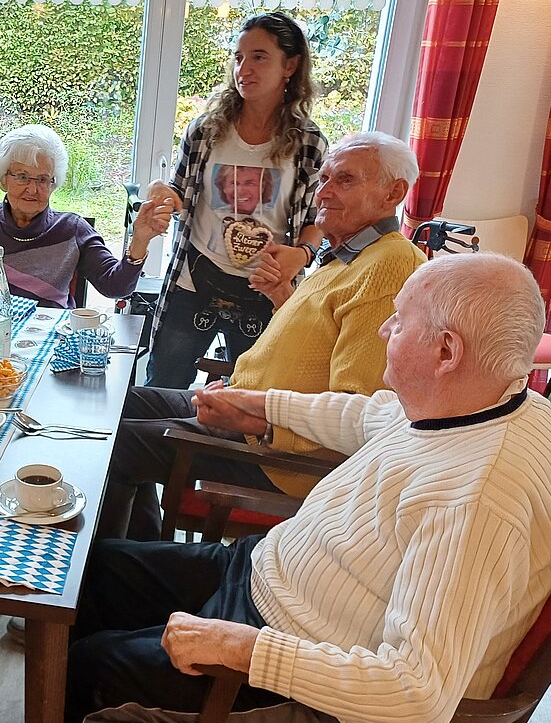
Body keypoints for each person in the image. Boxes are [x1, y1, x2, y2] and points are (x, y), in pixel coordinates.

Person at [4, 254, 551, 723]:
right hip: (270, 578)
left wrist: (247, 649)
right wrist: (258, 407)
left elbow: (416, 698)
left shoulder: (479, 498)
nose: (383, 328)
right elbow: (364, 416)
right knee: (90, 574)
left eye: (399, 321)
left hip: (330, 690)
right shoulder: (475, 399)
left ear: (446, 351)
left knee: (95, 675)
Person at [101, 131, 425, 541]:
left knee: (115, 446)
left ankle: (102, 579)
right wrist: (282, 299)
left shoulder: (390, 264)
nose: (323, 193)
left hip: (277, 453)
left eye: (345, 180)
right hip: (248, 405)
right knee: (117, 405)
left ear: (393, 193)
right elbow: (310, 347)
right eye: (324, 179)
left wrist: (257, 415)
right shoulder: (347, 256)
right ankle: (138, 551)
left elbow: (357, 410)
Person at [145, 12, 328, 389]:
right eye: (239, 57)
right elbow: (179, 191)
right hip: (195, 277)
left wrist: (303, 254)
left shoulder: (309, 142)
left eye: (259, 56)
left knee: (253, 396)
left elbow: (317, 217)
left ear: (290, 66)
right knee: (163, 384)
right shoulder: (206, 130)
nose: (244, 68)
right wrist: (160, 194)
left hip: (267, 288)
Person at [0, 124, 172, 307]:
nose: (32, 189)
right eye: (22, 176)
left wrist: (139, 241)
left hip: (51, 345)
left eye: (43, 179)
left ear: (53, 184)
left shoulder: (73, 229)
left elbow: (115, 287)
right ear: (4, 179)